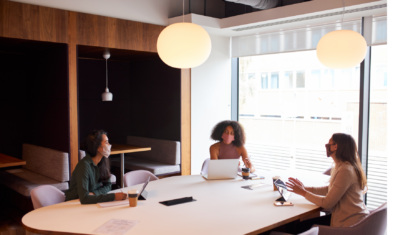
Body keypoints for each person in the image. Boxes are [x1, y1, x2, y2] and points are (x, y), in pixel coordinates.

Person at [286, 133, 369, 233]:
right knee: (299, 226)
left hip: (349, 223)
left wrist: (303, 193)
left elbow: (328, 203)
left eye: (329, 143)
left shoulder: (346, 170)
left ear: (335, 146)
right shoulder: (341, 166)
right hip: (347, 217)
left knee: (298, 228)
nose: (327, 145)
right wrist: (303, 188)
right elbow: (329, 189)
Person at [65, 130, 127, 204]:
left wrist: (94, 193)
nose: (109, 145)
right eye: (106, 142)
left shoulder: (103, 161)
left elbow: (108, 185)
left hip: (89, 202)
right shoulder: (84, 166)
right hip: (73, 203)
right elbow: (84, 199)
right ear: (97, 147)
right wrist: (113, 197)